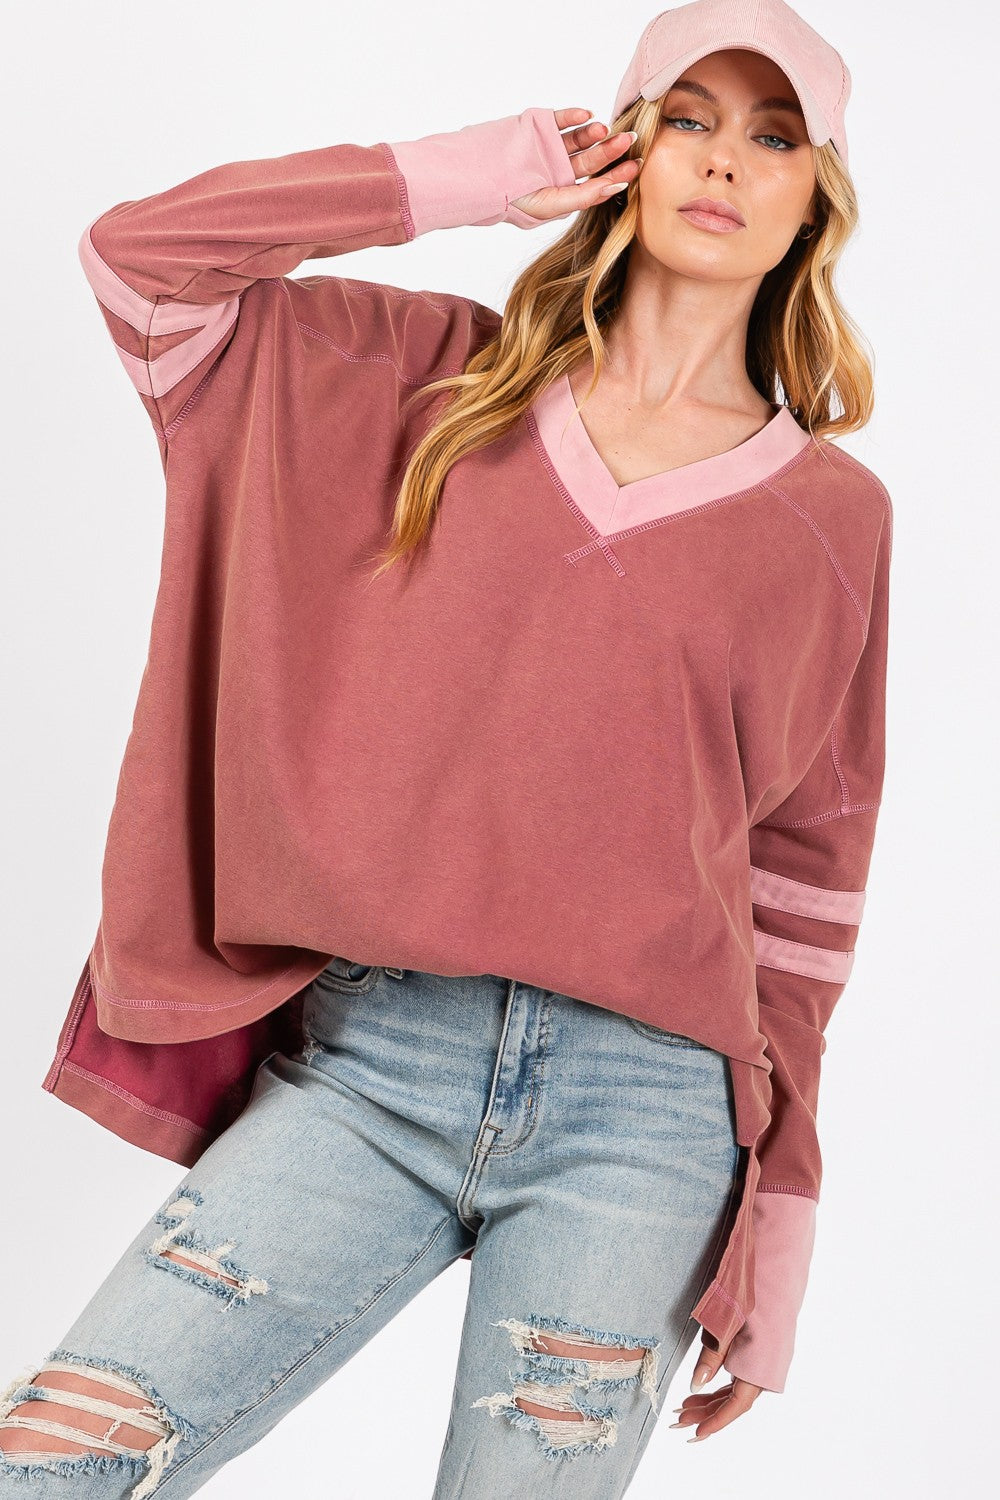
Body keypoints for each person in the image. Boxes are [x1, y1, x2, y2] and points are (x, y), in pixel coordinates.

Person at [2, 0, 893, 1494]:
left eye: (775, 135)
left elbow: (805, 890)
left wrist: (782, 1228)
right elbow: (139, 260)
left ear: (818, 196)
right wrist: (473, 173)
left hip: (652, 1118)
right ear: (624, 148)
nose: (724, 161)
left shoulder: (833, 520)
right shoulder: (412, 379)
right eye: (685, 118)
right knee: (48, 1465)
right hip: (370, 1069)